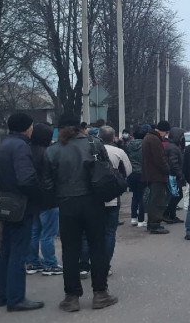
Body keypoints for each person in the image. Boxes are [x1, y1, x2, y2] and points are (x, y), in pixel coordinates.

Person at [43, 115, 117, 312]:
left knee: (70, 250)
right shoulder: (95, 143)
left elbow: (47, 182)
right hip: (93, 203)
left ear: (59, 129)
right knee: (97, 247)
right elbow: (107, 170)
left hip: (67, 205)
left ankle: (71, 297)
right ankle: (100, 294)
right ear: (80, 127)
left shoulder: (52, 150)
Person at [0, 113, 45, 312]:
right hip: (21, 206)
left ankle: (2, 295)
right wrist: (39, 195)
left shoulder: (3, 145)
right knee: (18, 252)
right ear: (26, 128)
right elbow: (26, 179)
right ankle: (16, 298)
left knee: (5, 250)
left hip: (5, 202)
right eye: (31, 126)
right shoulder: (22, 147)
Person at [80, 127, 132, 277]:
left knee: (86, 233)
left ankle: (84, 266)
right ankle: (104, 265)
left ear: (99, 136)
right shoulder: (119, 152)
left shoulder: (88, 149)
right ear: (114, 137)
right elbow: (127, 171)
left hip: (90, 198)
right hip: (111, 198)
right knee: (109, 232)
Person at [25, 123, 63, 277]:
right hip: (49, 199)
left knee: (34, 232)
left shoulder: (27, 151)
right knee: (48, 233)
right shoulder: (47, 153)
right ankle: (50, 264)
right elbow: (54, 177)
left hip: (32, 198)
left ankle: (33, 262)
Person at [142, 121, 172, 234]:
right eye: (167, 132)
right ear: (164, 130)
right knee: (157, 200)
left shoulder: (148, 137)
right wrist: (167, 169)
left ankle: (152, 223)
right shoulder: (154, 139)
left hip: (150, 174)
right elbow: (160, 159)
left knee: (153, 199)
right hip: (156, 175)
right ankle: (155, 224)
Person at [162, 127, 187, 224]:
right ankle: (167, 214)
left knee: (176, 195)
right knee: (176, 195)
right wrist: (180, 174)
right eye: (181, 136)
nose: (182, 138)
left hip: (173, 175)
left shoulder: (174, 146)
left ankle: (171, 215)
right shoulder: (173, 148)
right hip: (172, 176)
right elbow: (174, 163)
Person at [125, 126, 147, 227]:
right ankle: (141, 220)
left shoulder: (128, 145)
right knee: (142, 196)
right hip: (142, 173)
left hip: (131, 172)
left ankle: (133, 218)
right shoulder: (145, 145)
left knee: (135, 195)